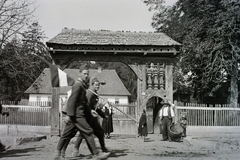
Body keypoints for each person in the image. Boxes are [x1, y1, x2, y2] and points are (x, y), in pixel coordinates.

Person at [53, 64, 109, 160]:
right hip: (77, 114)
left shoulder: (82, 86)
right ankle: (96, 154)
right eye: (84, 73)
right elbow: (72, 101)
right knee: (88, 131)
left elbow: (83, 103)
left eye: (87, 74)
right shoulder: (78, 85)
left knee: (66, 134)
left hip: (77, 113)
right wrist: (69, 116)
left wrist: (90, 111)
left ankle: (57, 154)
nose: (86, 75)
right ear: (80, 74)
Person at [63, 78, 110, 158]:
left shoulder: (94, 94)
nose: (97, 86)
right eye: (96, 85)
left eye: (98, 85)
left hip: (91, 117)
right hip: (83, 116)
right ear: (92, 85)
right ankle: (67, 151)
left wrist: (103, 115)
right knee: (72, 134)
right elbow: (86, 106)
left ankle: (103, 149)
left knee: (100, 132)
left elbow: (95, 107)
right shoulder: (89, 93)